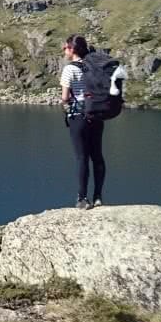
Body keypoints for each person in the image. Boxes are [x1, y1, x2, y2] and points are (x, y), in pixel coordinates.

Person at [60, 34, 105, 210]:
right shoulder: (94, 67)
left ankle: (82, 198)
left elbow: (65, 97)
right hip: (97, 115)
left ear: (72, 49)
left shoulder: (69, 69)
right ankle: (99, 196)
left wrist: (66, 101)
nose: (64, 50)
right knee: (97, 156)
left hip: (78, 117)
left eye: (65, 47)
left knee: (81, 157)